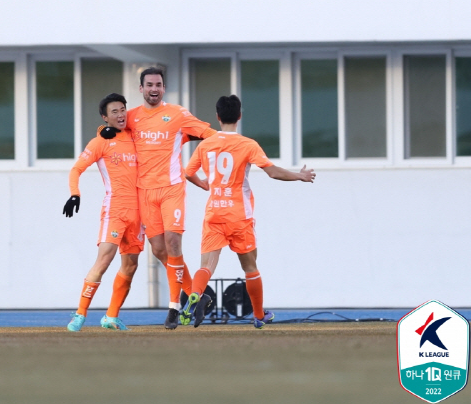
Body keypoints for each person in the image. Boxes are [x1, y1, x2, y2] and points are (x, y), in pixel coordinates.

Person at [181, 95, 316, 328]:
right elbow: (273, 172)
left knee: (206, 266)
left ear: (217, 117)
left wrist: (204, 184)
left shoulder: (205, 145)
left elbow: (187, 172)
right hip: (239, 216)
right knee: (250, 267)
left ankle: (196, 294)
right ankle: (258, 315)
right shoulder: (247, 144)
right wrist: (299, 176)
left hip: (214, 213)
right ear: (240, 116)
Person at [100, 67, 217, 329]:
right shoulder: (132, 117)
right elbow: (112, 125)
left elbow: (208, 135)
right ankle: (197, 296)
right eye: (150, 85)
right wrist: (102, 131)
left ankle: (174, 307)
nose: (154, 89)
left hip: (171, 188)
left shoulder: (177, 114)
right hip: (145, 192)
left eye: (159, 85)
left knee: (173, 243)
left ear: (164, 88)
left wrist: (203, 167)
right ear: (141, 89)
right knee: (159, 250)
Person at [64, 93, 144, 332]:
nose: (121, 115)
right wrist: (75, 194)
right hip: (116, 209)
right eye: (114, 112)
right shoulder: (100, 142)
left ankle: (111, 316)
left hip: (139, 213)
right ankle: (80, 313)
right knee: (104, 260)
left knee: (131, 265)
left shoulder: (136, 136)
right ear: (104, 117)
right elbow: (76, 169)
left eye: (123, 110)